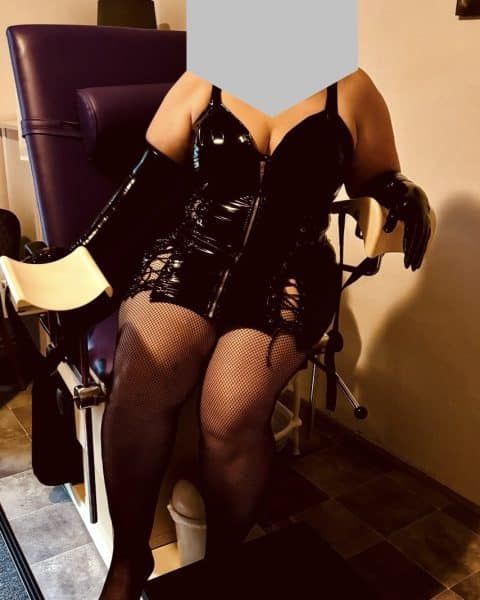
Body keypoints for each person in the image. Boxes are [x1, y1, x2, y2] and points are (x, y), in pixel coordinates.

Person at [66, 67, 431, 599]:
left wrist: (402, 189)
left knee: (231, 412)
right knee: (143, 378)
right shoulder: (205, 79)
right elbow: (142, 188)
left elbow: (375, 177)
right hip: (192, 256)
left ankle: (222, 569)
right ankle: (128, 561)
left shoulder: (351, 89)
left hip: (289, 270)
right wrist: (77, 259)